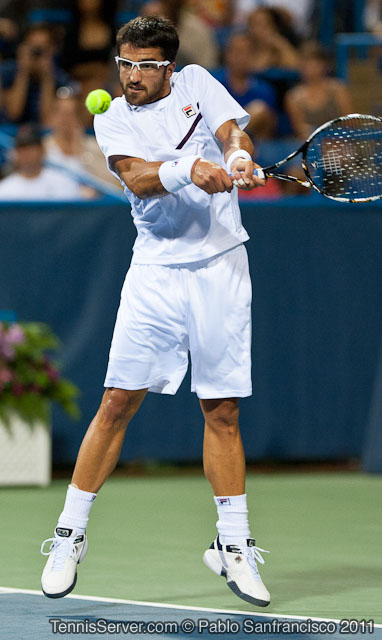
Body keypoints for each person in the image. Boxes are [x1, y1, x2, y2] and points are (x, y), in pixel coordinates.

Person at [40, 16, 271, 608]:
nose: (131, 75)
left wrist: (239, 156)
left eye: (144, 65)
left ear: (168, 67)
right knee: (117, 400)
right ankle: (68, 536)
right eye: (125, 63)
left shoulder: (197, 81)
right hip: (156, 271)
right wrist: (191, 169)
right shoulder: (111, 115)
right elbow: (138, 180)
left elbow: (231, 131)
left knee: (221, 409)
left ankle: (235, 546)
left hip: (221, 266)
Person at [1, 24, 73, 125]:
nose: (37, 55)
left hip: (44, 137)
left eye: (43, 49)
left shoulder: (61, 79)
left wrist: (47, 76)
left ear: (53, 50)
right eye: (34, 49)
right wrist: (23, 70)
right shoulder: (6, 72)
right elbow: (13, 113)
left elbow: (48, 121)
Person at [43, 94, 121, 188]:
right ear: (52, 117)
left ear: (79, 118)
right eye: (61, 113)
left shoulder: (95, 147)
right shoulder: (42, 148)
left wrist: (82, 152)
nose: (65, 119)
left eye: (70, 114)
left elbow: (112, 184)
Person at [213, 32, 277, 139]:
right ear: (227, 54)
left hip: (252, 146)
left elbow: (268, 128)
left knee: (259, 109)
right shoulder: (214, 83)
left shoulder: (265, 90)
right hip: (217, 139)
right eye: (237, 52)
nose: (241, 57)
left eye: (247, 52)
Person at [284, 41, 353, 140]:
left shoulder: (338, 89)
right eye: (304, 62)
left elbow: (350, 123)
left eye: (313, 62)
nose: (308, 67)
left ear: (323, 64)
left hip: (341, 143)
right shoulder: (293, 97)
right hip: (311, 147)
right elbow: (301, 131)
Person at [0, 123, 85, 200]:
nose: (26, 154)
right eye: (22, 149)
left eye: (31, 148)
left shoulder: (62, 184)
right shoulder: (4, 190)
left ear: (41, 150)